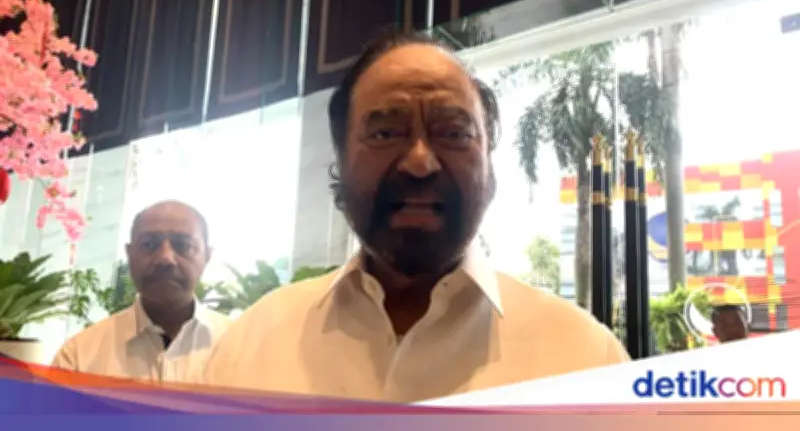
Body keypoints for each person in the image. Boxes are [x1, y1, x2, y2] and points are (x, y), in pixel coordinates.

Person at [200, 31, 629, 402]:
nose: (420, 162)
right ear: (341, 162)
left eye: (453, 133)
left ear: (489, 167)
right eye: (385, 133)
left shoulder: (586, 361)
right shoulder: (252, 346)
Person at [52, 200, 232, 382]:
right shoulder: (78, 358)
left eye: (183, 245)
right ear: (129, 254)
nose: (165, 258)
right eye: (148, 244)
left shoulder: (239, 348)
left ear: (207, 256)